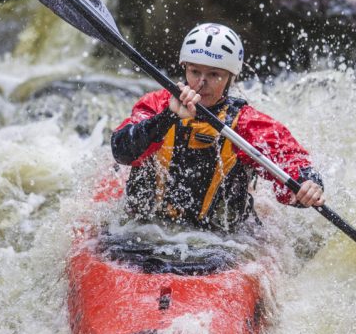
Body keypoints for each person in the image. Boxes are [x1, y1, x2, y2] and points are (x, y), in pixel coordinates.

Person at [111, 22, 325, 232]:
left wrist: (307, 183)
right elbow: (122, 151)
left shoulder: (246, 123)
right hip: (142, 230)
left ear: (231, 77)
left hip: (219, 240)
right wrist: (168, 117)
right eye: (195, 71)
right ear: (185, 68)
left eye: (214, 74)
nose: (201, 83)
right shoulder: (157, 105)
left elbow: (290, 160)